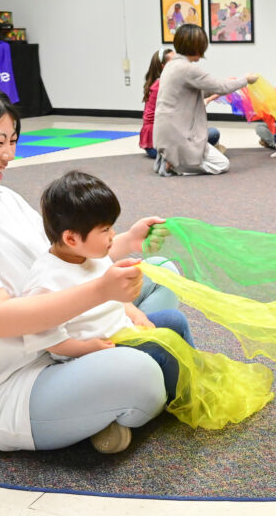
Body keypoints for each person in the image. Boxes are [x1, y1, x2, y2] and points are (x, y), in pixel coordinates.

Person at [0, 78, 184, 454]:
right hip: (17, 380)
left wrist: (128, 242)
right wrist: (102, 293)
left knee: (162, 271)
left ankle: (102, 401)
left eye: (12, 141)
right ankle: (105, 398)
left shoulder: (1, 198)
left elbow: (63, 263)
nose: (9, 155)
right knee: (140, 371)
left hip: (66, 333)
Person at [21, 171, 191, 408]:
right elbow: (49, 340)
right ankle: (181, 400)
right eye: (105, 230)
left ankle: (191, 378)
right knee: (161, 351)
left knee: (174, 320)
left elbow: (116, 298)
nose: (113, 236)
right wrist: (85, 348)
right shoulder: (46, 282)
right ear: (71, 239)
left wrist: (136, 315)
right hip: (92, 353)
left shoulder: (92, 255)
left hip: (122, 331)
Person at [154, 24, 257, 176]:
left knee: (211, 142)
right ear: (196, 47)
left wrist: (223, 84)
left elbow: (198, 90)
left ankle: (171, 158)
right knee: (222, 164)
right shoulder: (188, 68)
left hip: (166, 132)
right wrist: (246, 79)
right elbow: (221, 87)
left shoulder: (171, 66)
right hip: (178, 134)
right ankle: (177, 165)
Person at [139, 47, 174, 159]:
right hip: (156, 142)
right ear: (163, 66)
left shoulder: (158, 82)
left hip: (156, 140)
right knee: (212, 134)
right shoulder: (161, 85)